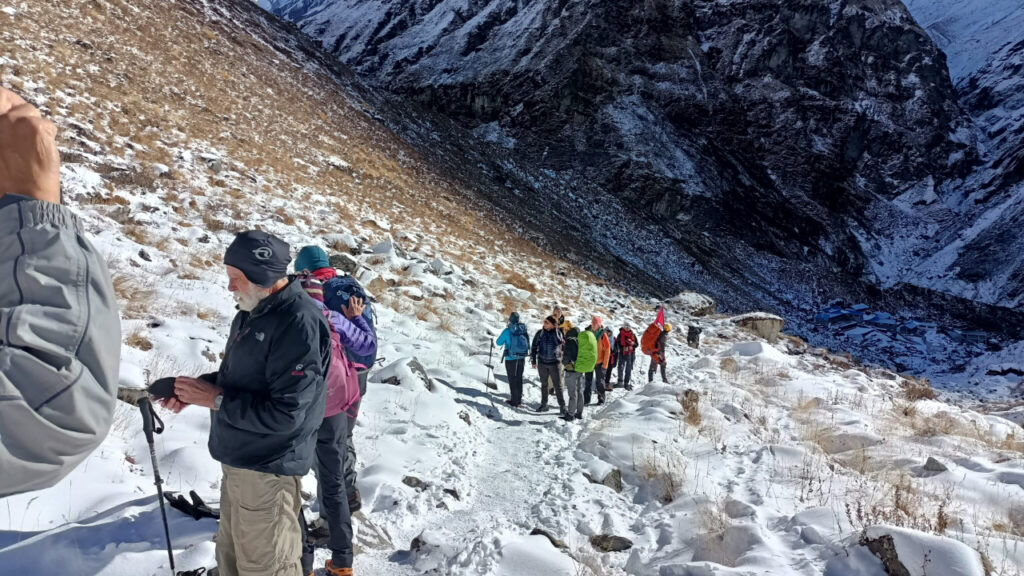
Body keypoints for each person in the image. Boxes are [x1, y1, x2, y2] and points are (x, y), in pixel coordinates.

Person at [162, 231, 331, 576]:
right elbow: (241, 378)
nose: (229, 288)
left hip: (269, 472)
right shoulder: (251, 312)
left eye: (236, 279)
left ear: (264, 277)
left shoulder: (297, 323)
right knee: (232, 562)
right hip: (238, 464)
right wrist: (194, 390)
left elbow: (288, 414)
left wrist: (216, 398)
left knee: (267, 568)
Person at [0, 87, 121, 498]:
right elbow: (56, 416)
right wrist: (32, 206)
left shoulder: (291, 319)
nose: (231, 285)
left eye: (239, 275)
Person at [294, 245, 376, 513]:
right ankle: (347, 491)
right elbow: (368, 345)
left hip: (330, 377)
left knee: (324, 442)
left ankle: (333, 505)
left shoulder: (311, 291)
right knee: (343, 436)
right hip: (359, 374)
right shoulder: (351, 286)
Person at [530, 316, 565, 414]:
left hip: (555, 363)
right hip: (542, 363)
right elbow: (534, 346)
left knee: (557, 386)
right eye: (544, 322)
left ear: (553, 324)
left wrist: (554, 330)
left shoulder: (558, 333)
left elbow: (558, 341)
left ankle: (562, 407)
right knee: (544, 385)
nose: (544, 324)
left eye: (546, 322)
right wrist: (533, 360)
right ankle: (544, 404)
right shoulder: (540, 333)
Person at [495, 312, 529, 407]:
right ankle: (518, 400)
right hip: (521, 357)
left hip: (511, 358)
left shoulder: (507, 330)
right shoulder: (523, 329)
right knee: (519, 378)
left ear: (510, 319)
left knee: (512, 378)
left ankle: (514, 401)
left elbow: (498, 342)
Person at [561, 322, 583, 421]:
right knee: (579, 391)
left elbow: (566, 356)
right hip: (580, 368)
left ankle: (570, 414)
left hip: (571, 369)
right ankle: (579, 412)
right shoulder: (581, 340)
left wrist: (564, 363)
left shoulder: (570, 340)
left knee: (572, 393)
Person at [587, 316, 612, 396]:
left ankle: (601, 398)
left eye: (595, 323)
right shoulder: (588, 333)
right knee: (588, 382)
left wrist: (605, 365)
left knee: (600, 382)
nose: (593, 325)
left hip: (599, 362)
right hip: (590, 361)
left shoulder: (603, 335)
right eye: (592, 323)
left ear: (599, 324)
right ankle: (586, 399)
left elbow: (607, 350)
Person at [578, 322, 599, 406]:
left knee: (580, 382)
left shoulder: (581, 337)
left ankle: (581, 399)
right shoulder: (593, 339)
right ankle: (586, 400)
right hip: (590, 363)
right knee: (588, 382)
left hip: (582, 362)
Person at [616, 325, 638, 390]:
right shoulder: (620, 335)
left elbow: (636, 344)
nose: (627, 328)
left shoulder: (633, 335)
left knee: (628, 369)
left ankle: (626, 383)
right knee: (620, 367)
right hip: (622, 354)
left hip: (630, 354)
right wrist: (622, 348)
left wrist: (632, 344)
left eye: (628, 327)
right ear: (623, 327)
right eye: (626, 326)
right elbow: (617, 344)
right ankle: (620, 382)